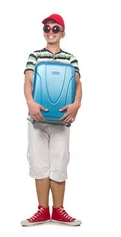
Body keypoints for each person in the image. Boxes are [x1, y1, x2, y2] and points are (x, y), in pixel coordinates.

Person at [21, 13, 83, 227]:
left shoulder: (71, 58)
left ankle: (58, 210)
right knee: (39, 163)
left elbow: (77, 85)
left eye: (55, 29)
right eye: (47, 28)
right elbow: (28, 81)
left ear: (63, 33)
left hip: (62, 119)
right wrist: (30, 102)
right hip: (37, 119)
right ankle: (42, 210)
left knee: (59, 162)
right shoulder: (34, 56)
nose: (50, 32)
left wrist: (76, 104)